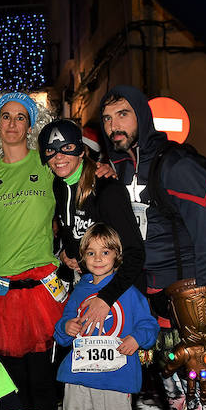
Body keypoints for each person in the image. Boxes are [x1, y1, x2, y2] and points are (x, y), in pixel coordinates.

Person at [100, 85, 206, 410]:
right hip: (148, 297)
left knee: (200, 393)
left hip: (189, 294)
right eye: (108, 118)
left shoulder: (177, 165)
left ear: (141, 117)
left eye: (123, 115)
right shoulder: (112, 169)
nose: (114, 125)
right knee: (171, 391)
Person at [52, 224, 159, 410]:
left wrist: (137, 340)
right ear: (83, 258)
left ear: (117, 255)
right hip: (78, 377)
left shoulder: (129, 290)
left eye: (105, 252)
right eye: (91, 252)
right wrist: (67, 328)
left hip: (115, 379)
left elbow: (150, 326)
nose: (98, 258)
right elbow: (62, 330)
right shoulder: (80, 290)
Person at [0, 92, 62, 410]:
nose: (12, 123)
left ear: (31, 126)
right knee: (11, 390)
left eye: (20, 117)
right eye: (5, 116)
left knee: (43, 388)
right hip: (2, 292)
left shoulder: (48, 163)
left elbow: (82, 179)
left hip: (43, 291)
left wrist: (105, 168)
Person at [40, 118, 146, 317]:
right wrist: (65, 253)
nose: (59, 156)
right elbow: (71, 232)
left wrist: (106, 298)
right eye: (51, 150)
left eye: (67, 147)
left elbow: (135, 253)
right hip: (85, 289)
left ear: (81, 150)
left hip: (118, 297)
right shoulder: (58, 186)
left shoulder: (106, 189)